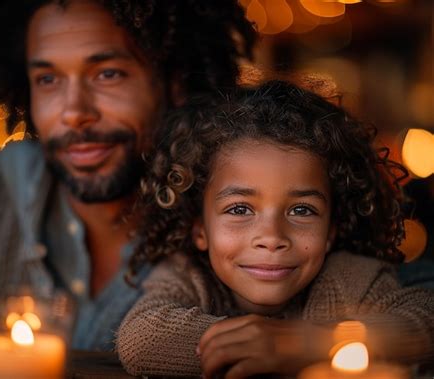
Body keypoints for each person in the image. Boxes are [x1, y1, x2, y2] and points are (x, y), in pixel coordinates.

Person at [0, 0, 256, 350]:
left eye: (107, 73)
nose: (74, 113)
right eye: (48, 79)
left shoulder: (245, 218)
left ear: (174, 80)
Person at [117, 80, 434, 377]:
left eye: (301, 210)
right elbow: (141, 338)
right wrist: (259, 344)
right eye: (239, 209)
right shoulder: (187, 275)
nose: (271, 238)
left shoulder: (353, 279)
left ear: (331, 232)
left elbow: (425, 320)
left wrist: (302, 344)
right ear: (200, 230)